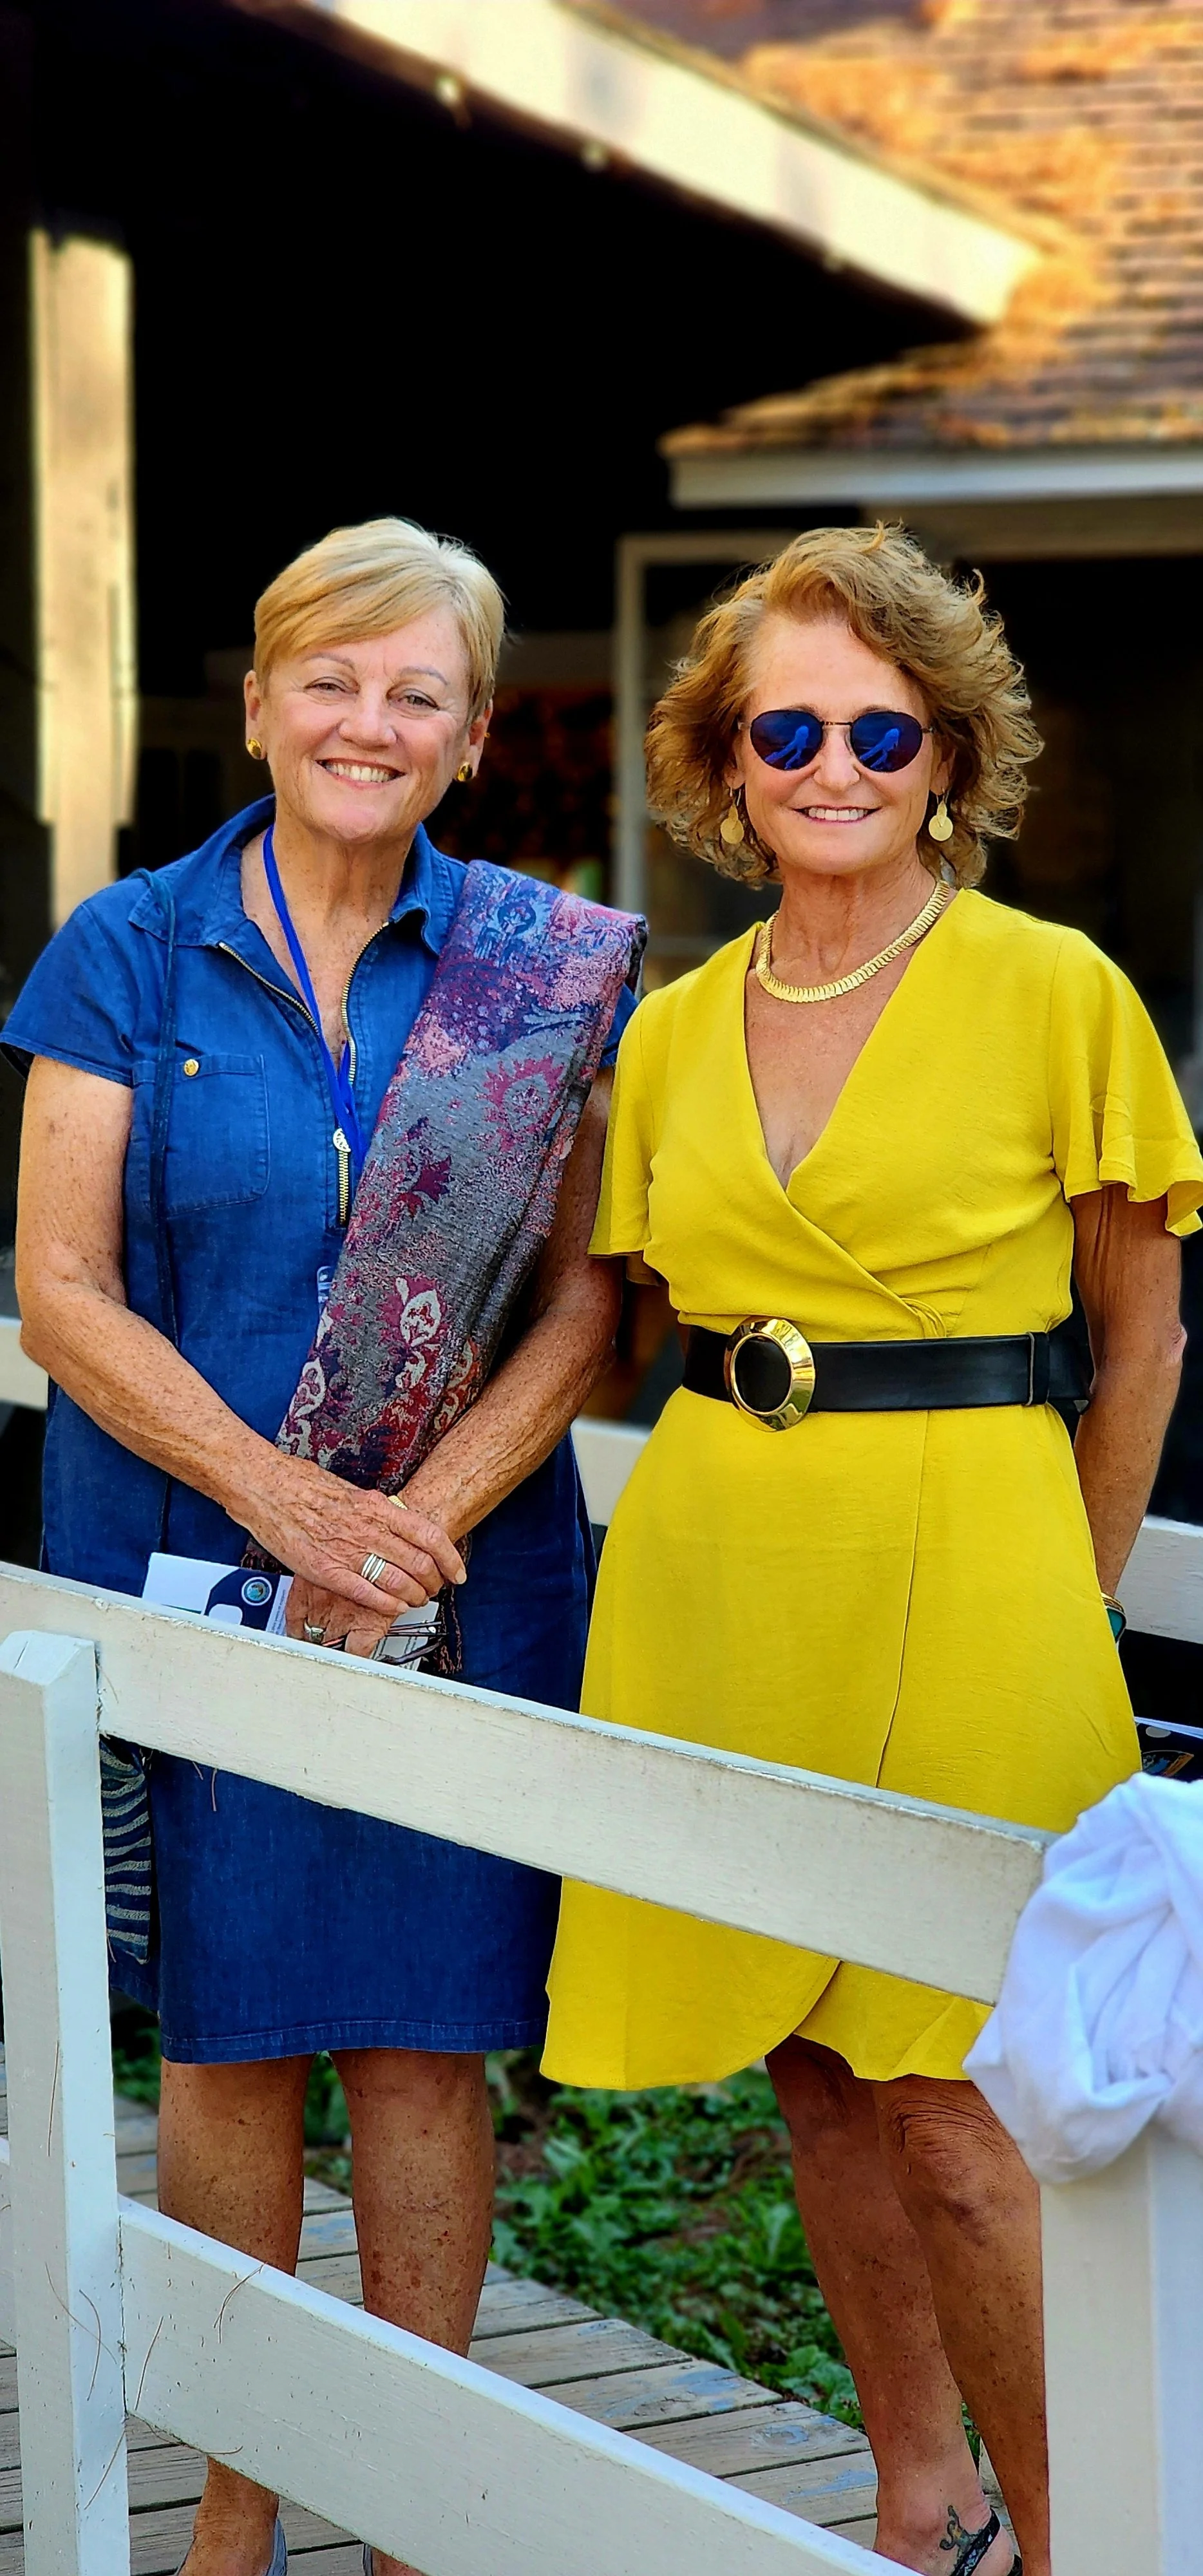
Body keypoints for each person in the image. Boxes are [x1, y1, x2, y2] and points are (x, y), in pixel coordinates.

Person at [542, 525, 1203, 2576]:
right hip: (723, 1556)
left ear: (946, 752)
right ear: (726, 765)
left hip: (980, 1560)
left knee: (959, 2094)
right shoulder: (665, 1032)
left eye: (877, 726)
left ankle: (1085, 2527)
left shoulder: (1049, 988)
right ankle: (919, 2493)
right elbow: (603, 1321)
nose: (831, 764)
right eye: (785, 728)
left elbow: (1140, 1336)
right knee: (814, 2066)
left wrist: (1064, 1592)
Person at [6, 516, 641, 2576]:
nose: (370, 721)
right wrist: (291, 1508)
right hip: (198, 1564)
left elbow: (584, 1306)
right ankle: (243, 2493)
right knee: (227, 2033)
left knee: (421, 2029)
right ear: (267, 699)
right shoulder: (128, 945)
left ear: (471, 739)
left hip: (457, 1586)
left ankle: (407, 2507)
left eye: (419, 693)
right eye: (331, 679)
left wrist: (412, 1524)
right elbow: (67, 1291)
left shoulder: (540, 968)